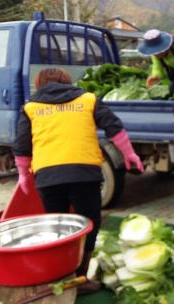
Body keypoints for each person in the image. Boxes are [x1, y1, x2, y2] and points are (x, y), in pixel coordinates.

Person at [12, 68, 144, 291]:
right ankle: (82, 275)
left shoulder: (31, 108)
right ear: (67, 81)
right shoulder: (88, 99)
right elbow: (114, 127)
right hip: (84, 173)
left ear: (40, 84)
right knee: (89, 224)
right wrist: (130, 154)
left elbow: (22, 146)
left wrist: (24, 176)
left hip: (48, 176)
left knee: (57, 227)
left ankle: (61, 275)